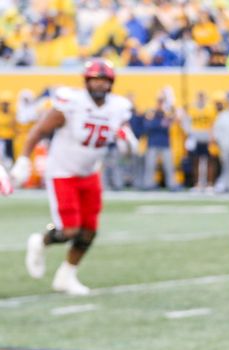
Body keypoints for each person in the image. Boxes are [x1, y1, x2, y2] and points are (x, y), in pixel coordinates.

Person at [10, 59, 136, 295]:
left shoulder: (118, 107)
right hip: (62, 171)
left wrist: (127, 142)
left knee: (89, 230)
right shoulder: (72, 103)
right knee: (69, 230)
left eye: (104, 80)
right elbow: (39, 130)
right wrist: (24, 159)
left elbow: (126, 141)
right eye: (95, 80)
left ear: (111, 83)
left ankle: (67, 275)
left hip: (89, 172)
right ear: (86, 81)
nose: (99, 85)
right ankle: (41, 240)